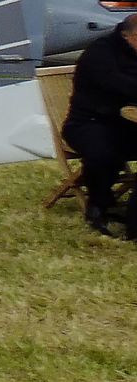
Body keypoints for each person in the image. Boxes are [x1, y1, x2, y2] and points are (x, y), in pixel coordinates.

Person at [62, 13, 137, 238]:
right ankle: (98, 204)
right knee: (103, 152)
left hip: (127, 123)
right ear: (127, 36)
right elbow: (120, 86)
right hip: (89, 122)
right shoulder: (100, 52)